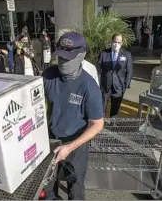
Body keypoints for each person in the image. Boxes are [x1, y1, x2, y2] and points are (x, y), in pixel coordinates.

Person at [42, 32, 104, 200]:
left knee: (75, 191)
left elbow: (97, 124)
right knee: (46, 188)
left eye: (67, 58)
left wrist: (69, 147)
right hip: (50, 141)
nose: (62, 62)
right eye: (60, 57)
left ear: (81, 56)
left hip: (76, 145)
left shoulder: (89, 87)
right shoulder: (48, 76)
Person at [98, 33, 133, 117]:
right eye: (115, 42)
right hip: (105, 86)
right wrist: (98, 83)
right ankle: (100, 126)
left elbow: (129, 71)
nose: (116, 44)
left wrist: (126, 85)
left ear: (122, 43)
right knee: (101, 108)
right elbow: (98, 69)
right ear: (111, 41)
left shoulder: (127, 55)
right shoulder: (104, 53)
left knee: (115, 110)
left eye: (118, 42)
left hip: (119, 87)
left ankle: (112, 125)